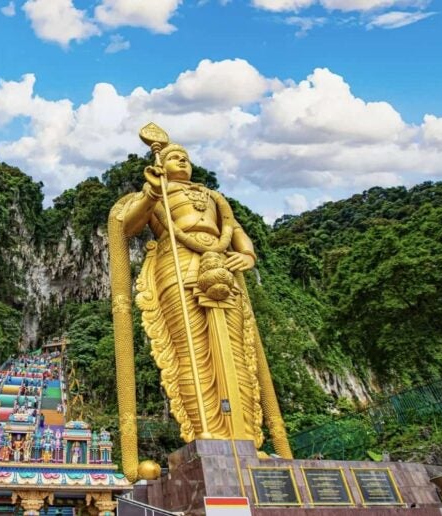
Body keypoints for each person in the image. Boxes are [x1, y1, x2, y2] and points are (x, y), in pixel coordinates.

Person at [109, 125, 291, 481]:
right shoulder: (154, 193)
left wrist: (248, 254)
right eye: (176, 157)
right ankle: (204, 434)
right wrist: (150, 191)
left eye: (187, 159)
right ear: (161, 161)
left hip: (221, 266)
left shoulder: (211, 195)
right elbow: (125, 227)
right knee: (190, 353)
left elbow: (235, 229)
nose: (183, 163)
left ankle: (247, 439)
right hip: (176, 268)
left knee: (239, 356)